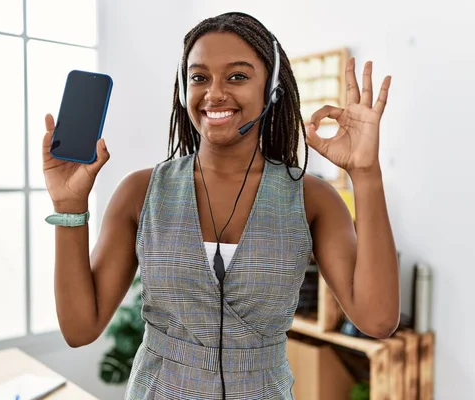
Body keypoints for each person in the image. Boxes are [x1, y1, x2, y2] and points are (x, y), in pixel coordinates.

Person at [42, 11, 400, 400]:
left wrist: (366, 173)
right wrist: (69, 205)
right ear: (183, 89)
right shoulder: (140, 192)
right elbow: (80, 329)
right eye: (199, 77)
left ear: (272, 89)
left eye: (237, 76)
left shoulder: (311, 198)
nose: (214, 93)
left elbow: (377, 320)